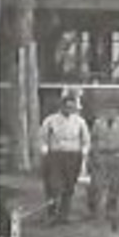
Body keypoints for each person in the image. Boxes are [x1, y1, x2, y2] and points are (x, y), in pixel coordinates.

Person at [37, 92, 89, 225]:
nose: (69, 110)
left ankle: (64, 215)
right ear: (61, 107)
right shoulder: (50, 120)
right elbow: (42, 137)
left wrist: (83, 153)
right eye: (66, 107)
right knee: (54, 185)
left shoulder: (79, 121)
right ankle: (51, 213)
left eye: (72, 108)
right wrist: (45, 150)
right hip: (56, 156)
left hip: (73, 156)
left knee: (69, 186)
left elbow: (86, 140)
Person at [86, 98, 119, 225]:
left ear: (117, 111)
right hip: (101, 156)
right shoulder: (98, 122)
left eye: (113, 110)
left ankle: (111, 209)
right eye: (108, 110)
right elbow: (93, 139)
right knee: (96, 184)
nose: (110, 112)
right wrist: (94, 154)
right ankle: (93, 209)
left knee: (115, 185)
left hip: (116, 156)